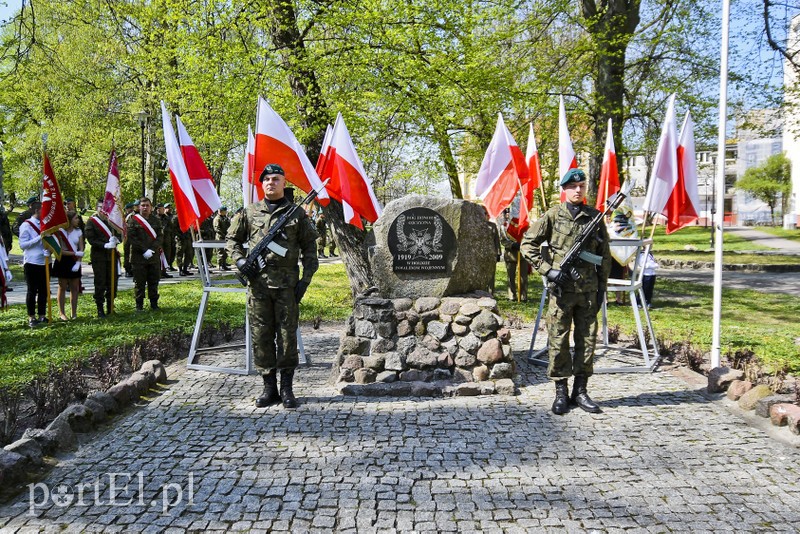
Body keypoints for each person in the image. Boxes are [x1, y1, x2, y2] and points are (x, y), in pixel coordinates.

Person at [226, 163, 318, 410]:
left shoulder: (296, 214)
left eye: (276, 178)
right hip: (258, 287)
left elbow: (310, 249)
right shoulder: (249, 212)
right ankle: (269, 388)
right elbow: (232, 240)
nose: (271, 182)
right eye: (267, 179)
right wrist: (241, 261)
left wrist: (305, 281)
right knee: (261, 336)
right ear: (262, 184)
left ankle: (287, 388)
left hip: (287, 287)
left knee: (287, 338)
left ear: (284, 183)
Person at [521, 168, 611, 415]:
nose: (578, 190)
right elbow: (527, 245)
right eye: (573, 187)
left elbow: (604, 257)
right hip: (561, 292)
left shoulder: (595, 217)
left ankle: (580, 392)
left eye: (581, 186)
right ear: (565, 190)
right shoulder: (553, 215)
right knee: (558, 340)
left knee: (587, 341)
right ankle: (561, 392)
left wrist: (602, 288)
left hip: (588, 291)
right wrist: (548, 270)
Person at [85, 203, 121, 318]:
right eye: (100, 207)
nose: (103, 209)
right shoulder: (91, 222)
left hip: (112, 256)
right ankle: (100, 309)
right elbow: (91, 239)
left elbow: (120, 233)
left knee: (113, 282)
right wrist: (104, 245)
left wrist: (117, 240)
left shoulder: (112, 221)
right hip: (99, 257)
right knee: (100, 282)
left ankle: (110, 307)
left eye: (105, 207)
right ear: (97, 208)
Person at [127, 197, 163, 311]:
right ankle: (139, 306)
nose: (145, 207)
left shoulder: (156, 220)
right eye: (143, 205)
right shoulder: (133, 220)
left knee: (154, 281)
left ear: (151, 207)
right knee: (139, 283)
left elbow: (160, 236)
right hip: (138, 258)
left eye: (147, 205)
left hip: (153, 256)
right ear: (139, 207)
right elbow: (132, 238)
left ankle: (154, 304)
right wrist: (144, 250)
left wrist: (152, 249)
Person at [18, 203, 49, 327]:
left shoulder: (46, 225)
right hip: (32, 262)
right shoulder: (26, 225)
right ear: (37, 210)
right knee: (32, 291)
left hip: (45, 260)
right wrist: (39, 238)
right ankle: (31, 317)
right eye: (43, 210)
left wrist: (50, 249)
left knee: (44, 290)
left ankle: (42, 315)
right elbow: (22, 245)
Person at [52, 211, 85, 320]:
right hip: (63, 260)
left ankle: (74, 313)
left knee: (74, 288)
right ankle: (62, 313)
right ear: (69, 220)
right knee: (62, 286)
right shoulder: (60, 232)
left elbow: (81, 248)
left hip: (74, 261)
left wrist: (78, 261)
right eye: (76, 218)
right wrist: (74, 253)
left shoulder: (79, 231)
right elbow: (59, 250)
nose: (78, 220)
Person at [500, 211, 530, 302]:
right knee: (511, 276)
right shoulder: (504, 226)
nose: (508, 214)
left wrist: (522, 244)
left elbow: (529, 237)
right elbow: (503, 240)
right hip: (510, 254)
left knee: (523, 277)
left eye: (510, 212)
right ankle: (512, 296)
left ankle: (523, 296)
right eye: (507, 213)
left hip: (523, 254)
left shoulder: (524, 225)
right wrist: (512, 245)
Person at [155, 204, 173, 279]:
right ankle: (158, 272)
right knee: (159, 256)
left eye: (162, 209)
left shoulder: (167, 218)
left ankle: (164, 271)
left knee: (167, 255)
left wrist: (166, 230)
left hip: (166, 239)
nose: (160, 210)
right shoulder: (155, 218)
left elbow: (171, 228)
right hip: (158, 240)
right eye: (159, 209)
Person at [162, 203, 177, 271]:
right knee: (166, 252)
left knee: (172, 251)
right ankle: (165, 266)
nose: (169, 209)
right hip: (164, 238)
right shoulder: (163, 217)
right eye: (167, 208)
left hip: (172, 236)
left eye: (170, 207)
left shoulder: (172, 217)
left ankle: (170, 264)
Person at [123, 201, 136, 277]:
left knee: (133, 254)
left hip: (133, 237)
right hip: (127, 237)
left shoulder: (133, 216)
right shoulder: (125, 216)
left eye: (130, 208)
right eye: (128, 209)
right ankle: (127, 269)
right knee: (127, 254)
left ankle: (132, 269)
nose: (129, 210)